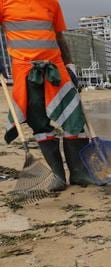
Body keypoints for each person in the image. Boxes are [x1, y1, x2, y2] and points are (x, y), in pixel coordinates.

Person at [0, 0, 92, 191]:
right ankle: (58, 176)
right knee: (39, 122)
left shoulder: (52, 2)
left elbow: (59, 37)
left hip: (56, 69)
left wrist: (70, 66)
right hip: (26, 71)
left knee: (74, 118)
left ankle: (79, 173)